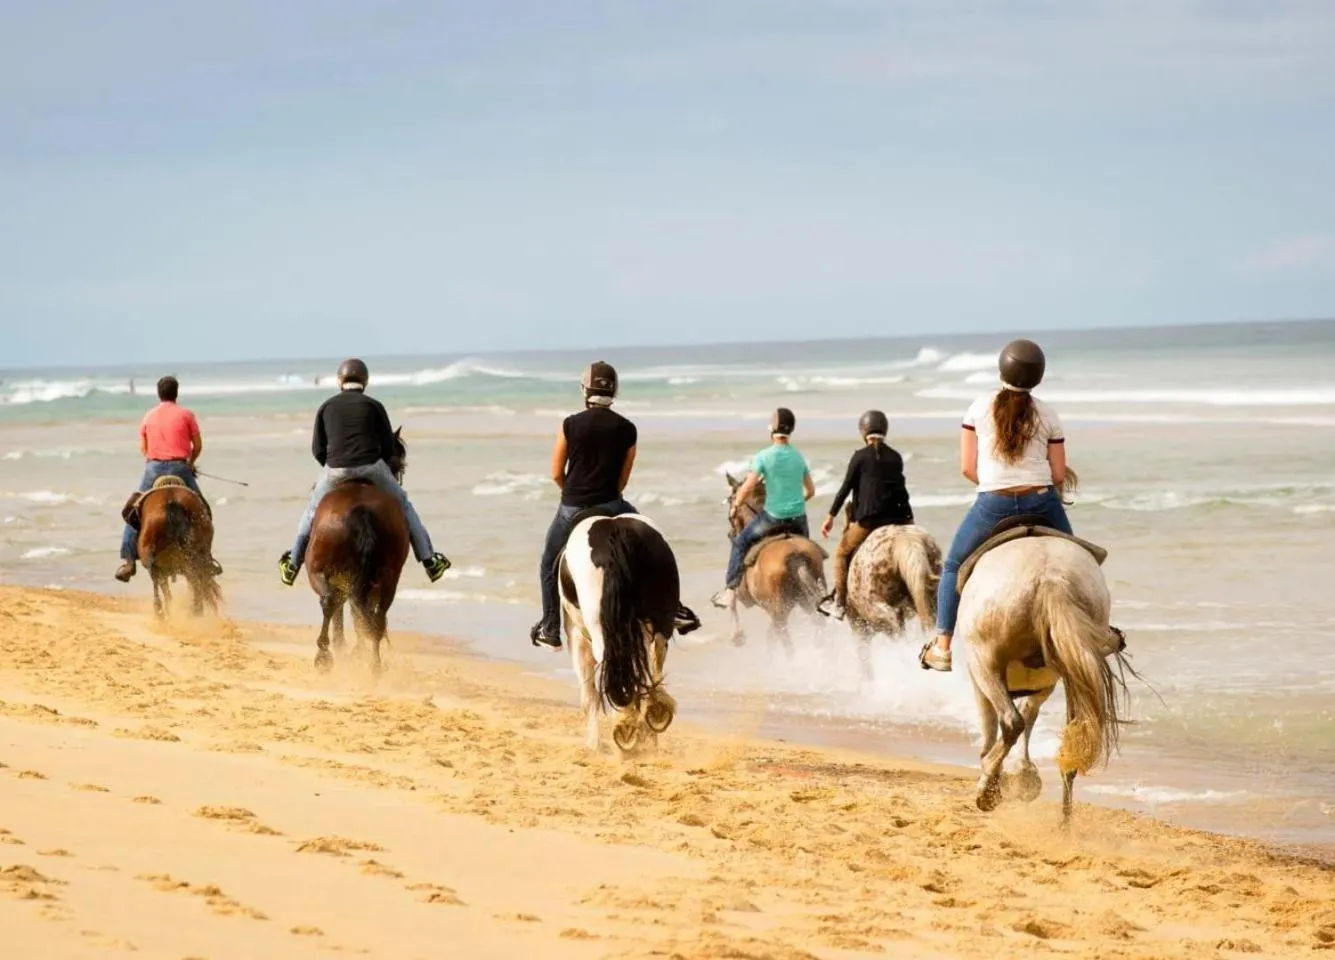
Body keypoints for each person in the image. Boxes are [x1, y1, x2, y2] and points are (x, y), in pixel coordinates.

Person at [919, 338, 1072, 672]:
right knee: (1080, 560)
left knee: (953, 567)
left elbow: (967, 468)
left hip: (993, 504)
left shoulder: (978, 408)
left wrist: (997, 485)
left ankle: (943, 647)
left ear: (1003, 368)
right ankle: (1098, 631)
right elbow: (1058, 473)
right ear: (1038, 376)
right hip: (1043, 501)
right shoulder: (1048, 413)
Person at [530, 361, 700, 651]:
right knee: (655, 546)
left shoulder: (569, 424)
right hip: (612, 502)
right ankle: (676, 610)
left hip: (572, 506)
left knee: (548, 562)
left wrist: (572, 492)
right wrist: (608, 496)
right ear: (614, 392)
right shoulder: (627, 429)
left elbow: (556, 473)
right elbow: (623, 478)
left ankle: (550, 626)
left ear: (585, 390)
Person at [278, 358, 450, 586]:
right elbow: (389, 448)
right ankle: (430, 561)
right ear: (365, 382)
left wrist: (334, 467)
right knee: (404, 504)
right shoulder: (374, 405)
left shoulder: (326, 407)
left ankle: (292, 564)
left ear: (340, 381)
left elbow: (317, 449)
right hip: (372, 467)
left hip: (336, 470)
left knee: (312, 510)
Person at [116, 376, 222, 582]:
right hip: (180, 467)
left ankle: (128, 562)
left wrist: (156, 459)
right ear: (176, 393)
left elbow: (143, 448)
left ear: (159, 393)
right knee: (204, 512)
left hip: (153, 469)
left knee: (133, 512)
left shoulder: (148, 416)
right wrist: (190, 463)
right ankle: (207, 559)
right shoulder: (186, 415)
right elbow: (198, 445)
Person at [712, 407, 816, 610]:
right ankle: (821, 597)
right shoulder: (798, 457)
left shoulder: (763, 457)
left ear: (772, 431)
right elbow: (810, 491)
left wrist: (735, 507)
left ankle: (730, 591)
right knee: (809, 551)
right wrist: (796, 501)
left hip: (773, 518)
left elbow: (746, 489)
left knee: (740, 543)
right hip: (798, 520)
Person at [817, 409, 916, 620]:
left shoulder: (860, 456)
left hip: (870, 521)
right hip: (899, 518)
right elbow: (900, 490)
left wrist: (830, 515)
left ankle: (839, 603)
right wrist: (910, 521)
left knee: (841, 554)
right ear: (885, 430)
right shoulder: (896, 456)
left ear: (863, 432)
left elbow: (846, 488)